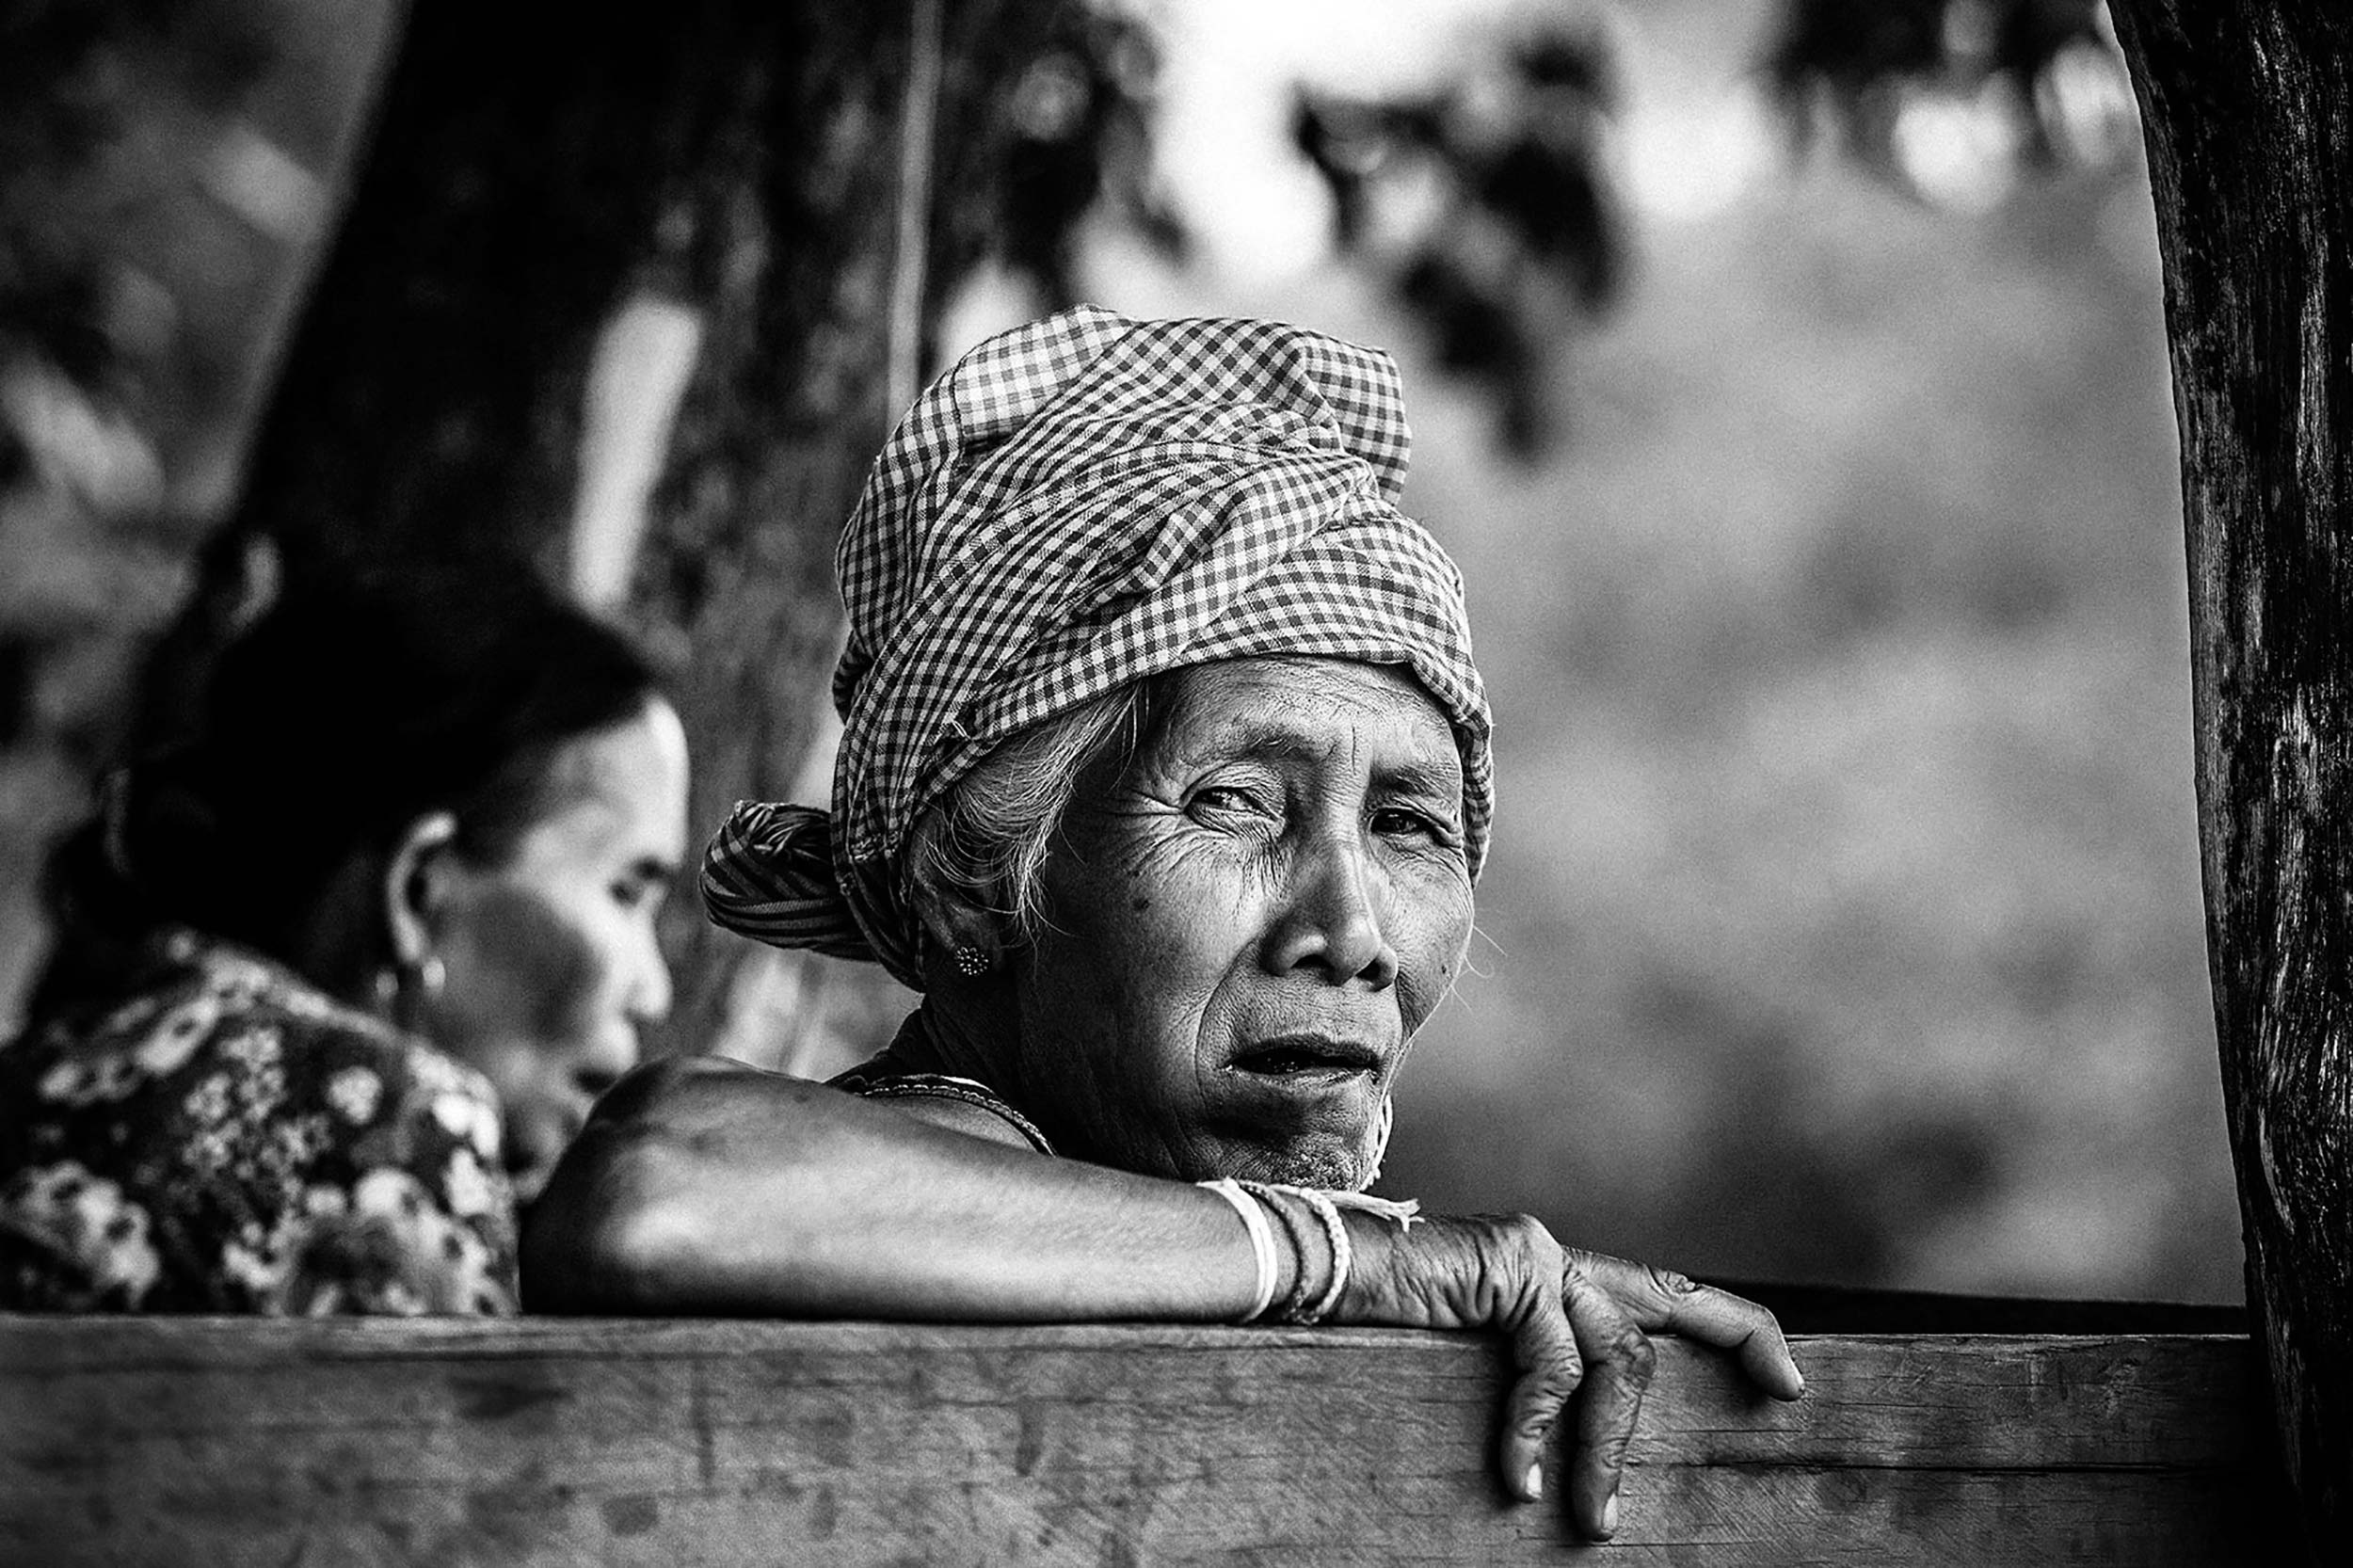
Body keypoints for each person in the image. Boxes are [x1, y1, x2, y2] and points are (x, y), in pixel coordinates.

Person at [524, 309, 1801, 1542]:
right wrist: (1355, 1258)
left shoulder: (1159, 1237)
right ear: (980, 881)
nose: (1351, 929)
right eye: (1236, 803)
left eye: (1409, 823)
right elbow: (659, 1185)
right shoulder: (944, 1158)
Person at [0, 567, 688, 1315]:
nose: (655, 990)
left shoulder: (54, 1063)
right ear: (418, 889)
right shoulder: (380, 1122)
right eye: (626, 890)